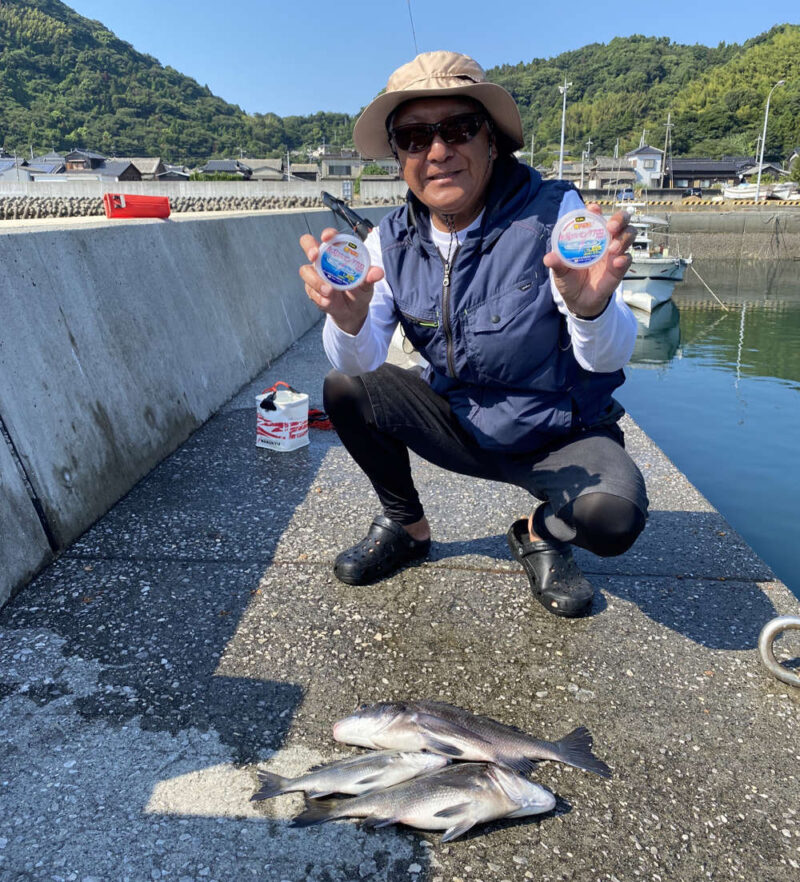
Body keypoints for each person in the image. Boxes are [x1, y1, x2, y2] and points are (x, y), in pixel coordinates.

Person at [298, 51, 648, 617]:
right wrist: (348, 320)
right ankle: (407, 527)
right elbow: (358, 362)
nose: (437, 151)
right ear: (398, 156)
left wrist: (591, 307)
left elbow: (608, 356)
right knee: (345, 387)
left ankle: (540, 532)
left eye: (458, 129)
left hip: (557, 436)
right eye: (414, 137)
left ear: (491, 140)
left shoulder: (557, 212)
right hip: (457, 421)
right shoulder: (387, 241)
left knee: (613, 517)